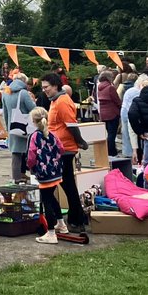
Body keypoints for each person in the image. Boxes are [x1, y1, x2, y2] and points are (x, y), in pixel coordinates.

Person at [41, 74, 88, 233]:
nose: (44, 90)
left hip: (64, 149)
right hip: (58, 148)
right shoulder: (56, 101)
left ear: (55, 86)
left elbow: (71, 124)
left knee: (64, 185)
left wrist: (80, 141)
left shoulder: (62, 102)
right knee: (66, 184)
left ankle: (74, 219)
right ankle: (76, 218)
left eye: (46, 87)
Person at [26, 107, 65, 244]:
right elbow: (61, 148)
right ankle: (61, 223)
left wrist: (31, 167)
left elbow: (31, 155)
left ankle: (51, 233)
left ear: (33, 121)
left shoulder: (34, 136)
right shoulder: (52, 134)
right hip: (56, 172)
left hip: (43, 174)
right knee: (51, 197)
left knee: (46, 200)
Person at [1, 75, 37, 184]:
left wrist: (8, 128)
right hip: (26, 127)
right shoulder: (24, 93)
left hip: (13, 127)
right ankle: (35, 176)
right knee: (32, 152)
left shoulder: (6, 93)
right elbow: (33, 109)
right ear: (24, 82)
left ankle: (16, 177)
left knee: (16, 153)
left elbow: (5, 113)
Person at [95, 70, 121, 158]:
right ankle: (112, 152)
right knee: (112, 134)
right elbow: (117, 100)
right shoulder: (110, 88)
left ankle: (109, 151)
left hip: (103, 114)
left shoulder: (99, 88)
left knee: (109, 133)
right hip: (112, 113)